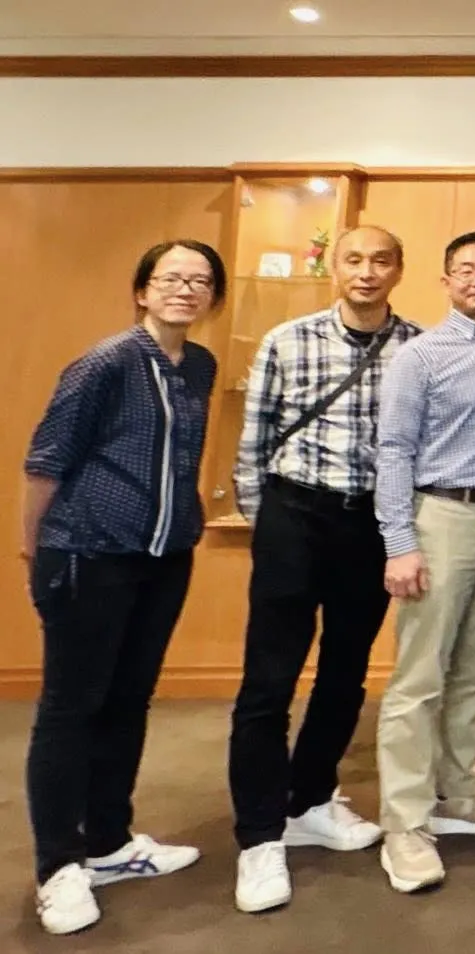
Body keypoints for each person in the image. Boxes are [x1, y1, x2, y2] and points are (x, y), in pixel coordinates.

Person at [22, 240, 222, 934]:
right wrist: (36, 551)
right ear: (142, 290)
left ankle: (108, 842)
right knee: (70, 709)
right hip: (89, 552)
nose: (186, 289)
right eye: (171, 278)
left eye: (200, 281)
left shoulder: (200, 364)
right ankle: (58, 866)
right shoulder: (104, 363)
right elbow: (46, 461)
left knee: (129, 700)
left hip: (163, 558)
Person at [229, 225, 422, 914]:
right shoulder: (288, 339)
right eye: (354, 260)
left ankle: (308, 798)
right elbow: (253, 441)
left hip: (370, 523)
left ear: (399, 269)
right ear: (335, 267)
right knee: (269, 678)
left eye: (380, 261)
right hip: (294, 513)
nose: (366, 272)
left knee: (346, 672)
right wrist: (266, 522)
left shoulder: (417, 346)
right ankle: (258, 835)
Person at [371, 232, 475, 894]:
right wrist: (399, 542)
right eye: (466, 269)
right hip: (441, 519)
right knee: (419, 680)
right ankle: (404, 824)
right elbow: (394, 450)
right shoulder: (419, 355)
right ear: (445, 281)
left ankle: (460, 793)